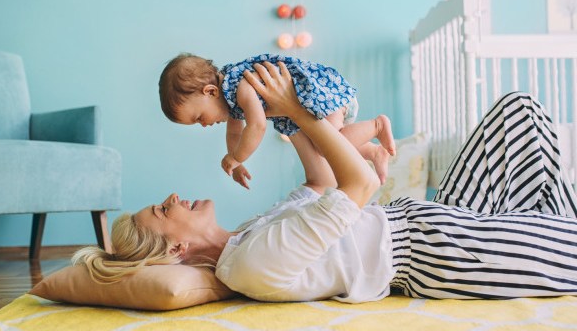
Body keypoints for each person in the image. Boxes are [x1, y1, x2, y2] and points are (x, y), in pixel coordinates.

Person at [74, 62, 577, 301]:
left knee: (518, 113)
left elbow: (319, 180)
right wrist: (299, 111)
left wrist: (282, 114)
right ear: (178, 250)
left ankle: (543, 227)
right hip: (438, 251)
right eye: (163, 211)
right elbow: (357, 185)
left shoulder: (251, 232)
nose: (170, 198)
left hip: (430, 217)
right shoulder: (251, 264)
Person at [157, 53, 396, 189]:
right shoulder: (231, 103)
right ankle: (374, 152)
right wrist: (237, 163)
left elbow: (257, 125)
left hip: (321, 96)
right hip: (310, 109)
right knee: (328, 147)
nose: (204, 125)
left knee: (328, 147)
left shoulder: (241, 87)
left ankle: (377, 125)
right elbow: (234, 134)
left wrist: (237, 156)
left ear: (210, 91)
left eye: (199, 117)